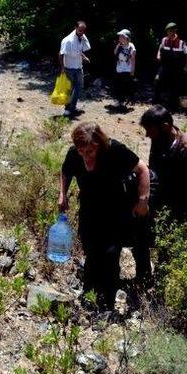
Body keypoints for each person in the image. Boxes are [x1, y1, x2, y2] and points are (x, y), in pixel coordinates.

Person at [59, 122, 150, 309]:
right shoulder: (74, 154)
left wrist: (143, 201)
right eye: (81, 152)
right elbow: (66, 171)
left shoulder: (114, 151)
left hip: (115, 211)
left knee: (110, 254)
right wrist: (62, 193)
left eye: (90, 152)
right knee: (91, 251)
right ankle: (89, 296)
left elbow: (142, 170)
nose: (86, 156)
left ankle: (108, 302)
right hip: (89, 209)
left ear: (98, 145)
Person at [140, 105, 187, 223]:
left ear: (165, 127)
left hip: (180, 205)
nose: (147, 135)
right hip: (162, 195)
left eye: (150, 131)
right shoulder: (159, 138)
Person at [154, 22, 187, 112]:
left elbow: (186, 55)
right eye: (167, 31)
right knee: (157, 80)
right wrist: (158, 55)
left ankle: (172, 106)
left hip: (176, 68)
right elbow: (160, 47)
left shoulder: (181, 43)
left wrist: (185, 67)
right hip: (165, 65)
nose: (168, 33)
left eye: (170, 31)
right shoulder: (164, 40)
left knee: (174, 86)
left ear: (174, 31)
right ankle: (156, 102)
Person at [59, 21, 91, 118]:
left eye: (83, 30)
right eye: (80, 30)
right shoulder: (68, 40)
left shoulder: (82, 37)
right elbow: (60, 54)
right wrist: (62, 67)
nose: (81, 32)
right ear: (76, 28)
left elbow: (78, 50)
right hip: (69, 68)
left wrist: (84, 57)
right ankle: (67, 109)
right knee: (69, 89)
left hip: (78, 67)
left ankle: (73, 107)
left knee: (79, 87)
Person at [113, 29, 136, 110]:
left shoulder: (131, 46)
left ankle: (126, 101)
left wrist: (132, 70)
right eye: (119, 36)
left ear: (126, 38)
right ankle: (120, 101)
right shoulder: (120, 45)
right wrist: (118, 45)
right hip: (119, 67)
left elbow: (133, 58)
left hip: (127, 68)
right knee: (118, 84)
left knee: (125, 85)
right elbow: (115, 52)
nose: (119, 37)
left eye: (121, 36)